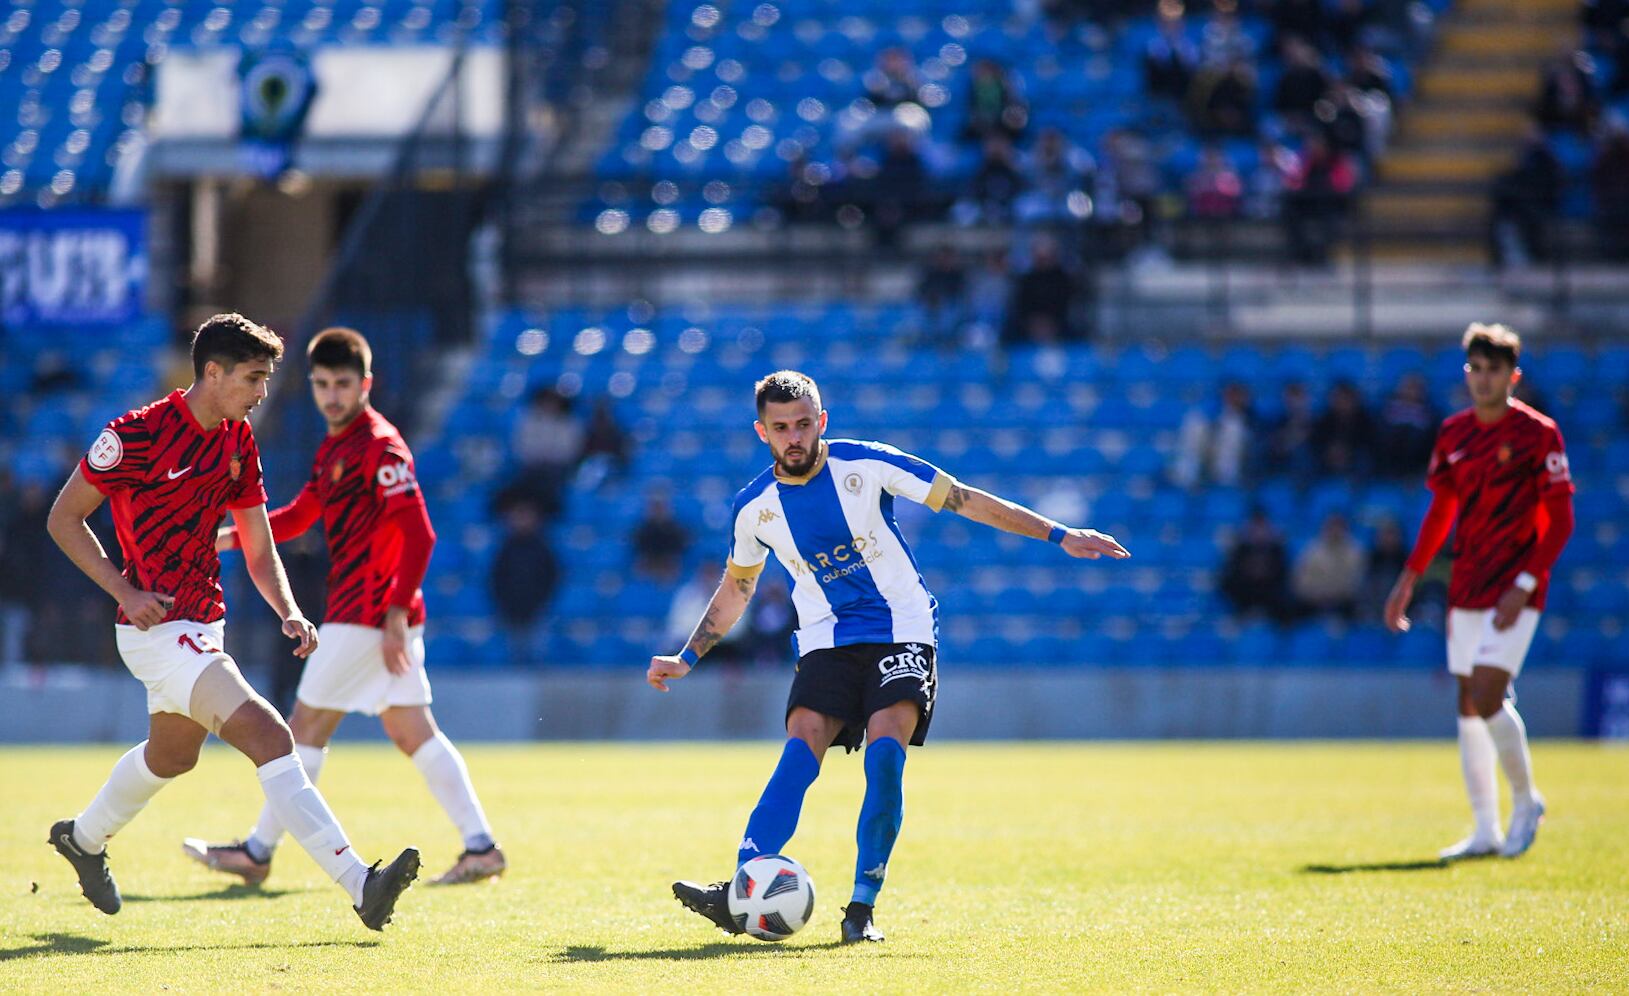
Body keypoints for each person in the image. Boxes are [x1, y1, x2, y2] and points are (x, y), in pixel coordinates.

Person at [649, 371, 1130, 944]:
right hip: (827, 637)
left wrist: (1059, 534)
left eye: (804, 424)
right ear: (763, 433)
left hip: (901, 628)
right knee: (801, 746)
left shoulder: (867, 465)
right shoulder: (755, 508)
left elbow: (964, 500)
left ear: (821, 421)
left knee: (883, 756)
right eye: (781, 428)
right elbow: (738, 589)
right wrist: (687, 657)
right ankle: (742, 889)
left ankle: (861, 907)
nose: (794, 436)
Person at [44, 314, 419, 928]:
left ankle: (81, 840)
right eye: (253, 377)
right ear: (211, 373)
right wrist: (124, 590)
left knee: (172, 757)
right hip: (153, 629)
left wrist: (290, 610)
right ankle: (361, 884)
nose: (262, 391)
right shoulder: (135, 435)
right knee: (271, 734)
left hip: (201, 627)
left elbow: (257, 540)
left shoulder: (238, 438)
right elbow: (64, 518)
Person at [184, 327, 504, 888]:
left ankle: (258, 852)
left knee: (303, 726)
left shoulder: (379, 446)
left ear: (366, 384)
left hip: (367, 613)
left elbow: (421, 535)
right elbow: (302, 516)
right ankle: (481, 847)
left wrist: (396, 612)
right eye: (323, 384)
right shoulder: (337, 445)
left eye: (343, 384)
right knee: (412, 731)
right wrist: (231, 537)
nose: (332, 395)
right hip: (374, 614)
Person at [1384, 324, 1575, 861]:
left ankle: (1526, 801)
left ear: (1512, 376)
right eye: (1475, 369)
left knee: (1489, 694)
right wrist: (1410, 578)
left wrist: (1524, 583)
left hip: (1516, 589)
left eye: (1493, 370)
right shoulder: (1453, 435)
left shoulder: (1540, 435)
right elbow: (1441, 511)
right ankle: (1485, 830)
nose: (1483, 379)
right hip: (1466, 583)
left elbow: (1560, 522)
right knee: (1470, 707)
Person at [1290, 512, 1365, 619]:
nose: (1335, 531)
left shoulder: (1356, 551)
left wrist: (1335, 595)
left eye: (1338, 527)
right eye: (1332, 527)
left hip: (1345, 602)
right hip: (1314, 602)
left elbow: (1356, 582)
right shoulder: (1311, 550)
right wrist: (1318, 595)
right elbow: (1301, 581)